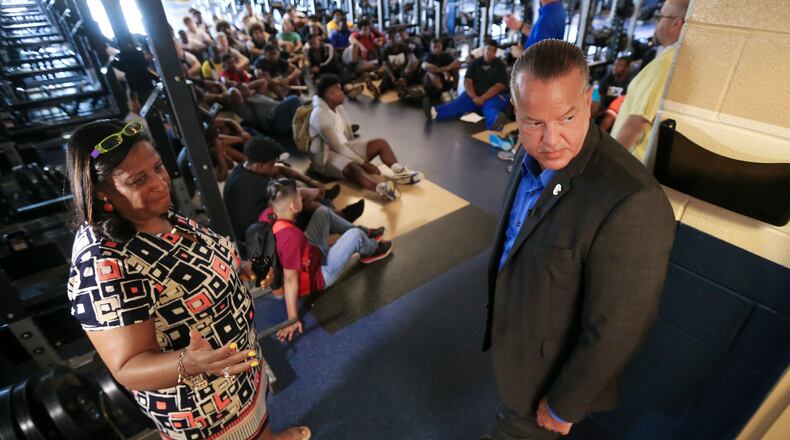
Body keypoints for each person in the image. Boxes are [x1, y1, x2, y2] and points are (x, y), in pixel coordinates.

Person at [65, 119, 310, 440]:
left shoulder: (150, 211)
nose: (159, 183)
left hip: (235, 367)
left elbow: (188, 264)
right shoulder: (103, 264)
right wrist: (189, 363)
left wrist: (238, 268)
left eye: (157, 167)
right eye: (138, 179)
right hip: (204, 402)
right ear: (100, 194)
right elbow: (127, 367)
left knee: (259, 426)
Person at [483, 39, 676, 439]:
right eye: (534, 122)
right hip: (515, 346)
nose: (551, 140)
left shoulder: (633, 200)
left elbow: (618, 327)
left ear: (588, 101)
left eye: (567, 118)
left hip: (547, 379)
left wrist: (563, 404)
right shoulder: (528, 152)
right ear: (517, 112)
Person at [265, 178, 391, 342]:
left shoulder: (274, 217)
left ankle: (365, 232)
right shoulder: (291, 240)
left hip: (311, 253)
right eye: (299, 197)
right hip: (319, 275)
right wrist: (293, 319)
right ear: (294, 206)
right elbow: (290, 279)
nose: (302, 199)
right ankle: (371, 249)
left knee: (322, 212)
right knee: (354, 237)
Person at [223, 136, 364, 239]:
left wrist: (309, 180)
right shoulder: (256, 184)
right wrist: (311, 190)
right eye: (271, 163)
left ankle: (327, 201)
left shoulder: (243, 168)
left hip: (246, 224)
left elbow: (280, 169)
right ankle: (341, 216)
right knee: (302, 200)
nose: (273, 166)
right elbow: (295, 194)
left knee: (287, 181)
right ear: (260, 164)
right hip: (257, 234)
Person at [309, 74, 423, 201]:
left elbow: (345, 143)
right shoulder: (320, 116)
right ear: (329, 94)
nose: (342, 92)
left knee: (380, 143)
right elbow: (338, 148)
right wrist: (364, 163)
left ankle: (400, 173)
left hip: (344, 147)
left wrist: (360, 157)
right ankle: (382, 189)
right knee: (354, 167)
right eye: (339, 89)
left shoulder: (338, 108)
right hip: (326, 156)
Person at [611, 0, 688, 162]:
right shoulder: (673, 59)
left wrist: (610, 162)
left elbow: (637, 123)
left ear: (677, 23)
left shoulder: (666, 63)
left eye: (661, 16)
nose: (656, 21)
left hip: (628, 165)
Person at [424, 40, 509, 130]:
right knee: (458, 103)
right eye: (488, 49)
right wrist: (474, 97)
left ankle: (496, 122)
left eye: (493, 50)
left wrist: (482, 98)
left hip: (493, 97)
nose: (489, 52)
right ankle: (434, 112)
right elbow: (467, 81)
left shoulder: (500, 66)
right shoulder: (475, 63)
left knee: (491, 108)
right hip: (474, 96)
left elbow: (498, 87)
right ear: (484, 49)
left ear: (495, 53)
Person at [378, 30, 420, 95]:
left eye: (393, 38)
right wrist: (391, 76)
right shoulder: (385, 50)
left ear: (397, 38)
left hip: (404, 70)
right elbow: (385, 65)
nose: (391, 40)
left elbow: (411, 59)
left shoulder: (404, 47)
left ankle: (402, 88)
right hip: (394, 71)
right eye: (389, 39)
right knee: (386, 78)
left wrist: (407, 68)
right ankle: (379, 90)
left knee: (406, 75)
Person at [421, 38, 461, 104]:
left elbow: (457, 62)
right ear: (431, 48)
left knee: (455, 69)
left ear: (441, 47)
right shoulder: (428, 56)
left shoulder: (446, 55)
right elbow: (425, 66)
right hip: (431, 82)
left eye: (438, 46)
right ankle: (441, 93)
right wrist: (443, 71)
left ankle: (454, 90)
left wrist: (448, 68)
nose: (437, 49)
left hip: (446, 79)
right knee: (431, 72)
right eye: (434, 47)